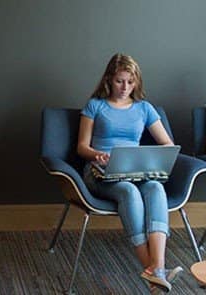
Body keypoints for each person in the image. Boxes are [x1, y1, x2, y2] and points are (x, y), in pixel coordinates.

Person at [77, 53, 182, 293]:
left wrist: (150, 157)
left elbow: (167, 144)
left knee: (155, 187)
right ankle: (154, 271)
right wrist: (98, 156)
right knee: (129, 192)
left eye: (130, 82)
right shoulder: (95, 105)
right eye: (119, 81)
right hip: (101, 171)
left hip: (136, 170)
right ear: (109, 80)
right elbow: (81, 147)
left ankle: (158, 267)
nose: (125, 88)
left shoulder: (145, 108)